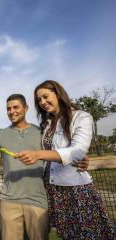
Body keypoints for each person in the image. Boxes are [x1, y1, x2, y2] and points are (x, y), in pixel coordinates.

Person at [17, 80, 115, 239]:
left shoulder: (81, 116)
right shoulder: (47, 124)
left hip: (74, 189)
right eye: (39, 100)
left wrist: (37, 154)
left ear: (58, 93)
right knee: (67, 235)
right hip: (53, 188)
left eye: (45, 96)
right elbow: (57, 152)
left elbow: (77, 151)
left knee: (88, 234)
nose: (42, 102)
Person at [0, 94, 49, 240]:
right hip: (9, 201)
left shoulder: (41, 132)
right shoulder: (0, 135)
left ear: (26, 108)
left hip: (38, 200)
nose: (11, 111)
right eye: (8, 108)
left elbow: (56, 155)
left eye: (15, 107)